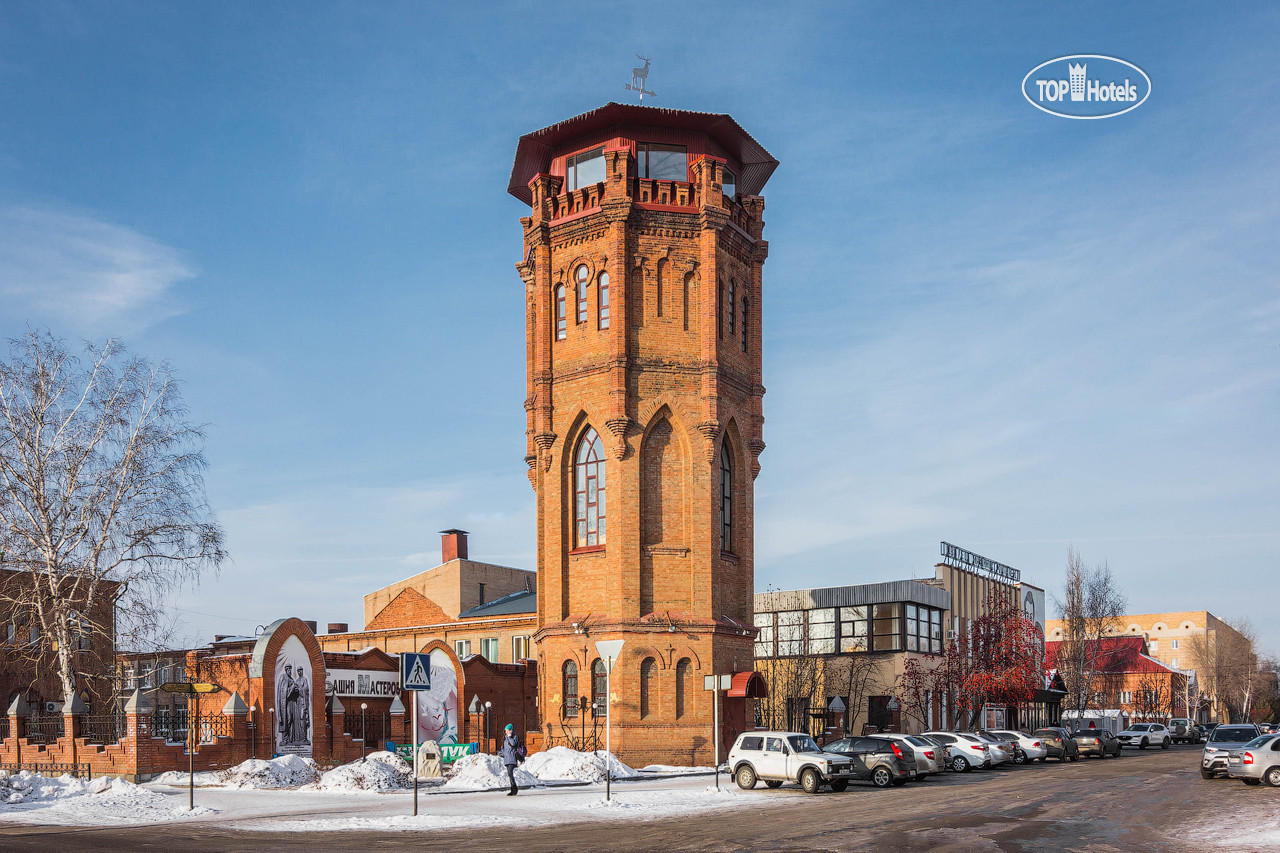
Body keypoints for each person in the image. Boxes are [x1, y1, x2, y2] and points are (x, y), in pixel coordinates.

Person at [499, 723, 524, 796]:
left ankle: (514, 788)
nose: (506, 732)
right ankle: (512, 790)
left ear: (511, 730)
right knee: (509, 774)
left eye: (507, 730)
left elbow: (513, 744)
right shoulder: (505, 738)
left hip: (512, 758)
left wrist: (510, 737)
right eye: (506, 731)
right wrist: (501, 753)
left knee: (510, 773)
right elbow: (503, 748)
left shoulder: (515, 737)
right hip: (506, 759)